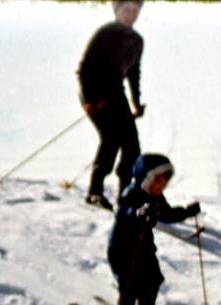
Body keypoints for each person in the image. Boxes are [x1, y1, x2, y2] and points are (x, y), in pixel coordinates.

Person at [107, 153, 200, 305]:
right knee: (129, 283)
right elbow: (123, 213)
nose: (161, 186)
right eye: (158, 181)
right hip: (123, 249)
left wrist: (187, 212)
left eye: (165, 182)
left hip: (143, 248)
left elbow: (167, 215)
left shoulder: (156, 198)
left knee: (152, 279)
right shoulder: (131, 193)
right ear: (146, 178)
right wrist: (138, 213)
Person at [77, 0, 146, 210]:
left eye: (135, 11)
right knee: (111, 138)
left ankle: (125, 194)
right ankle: (95, 192)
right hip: (95, 92)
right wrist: (90, 100)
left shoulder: (137, 40)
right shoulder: (105, 33)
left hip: (117, 93)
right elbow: (84, 68)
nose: (131, 14)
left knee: (132, 145)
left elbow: (133, 73)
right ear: (116, 10)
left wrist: (136, 102)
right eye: (127, 10)